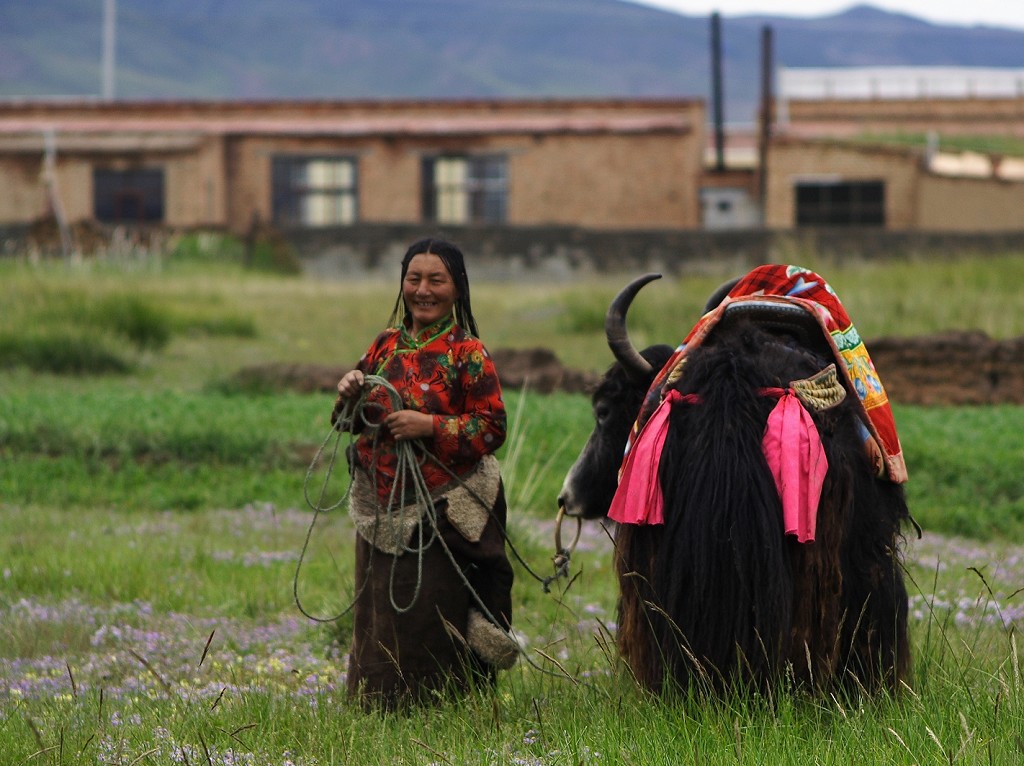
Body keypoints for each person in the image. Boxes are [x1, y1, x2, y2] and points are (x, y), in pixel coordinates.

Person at [332, 237, 517, 709]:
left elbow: (492, 427)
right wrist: (350, 391)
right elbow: (346, 422)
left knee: (434, 609)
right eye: (414, 279)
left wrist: (430, 426)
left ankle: (444, 707)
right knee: (378, 613)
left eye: (437, 279)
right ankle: (376, 706)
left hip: (442, 510)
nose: (423, 289)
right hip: (381, 504)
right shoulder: (384, 346)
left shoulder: (468, 353)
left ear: (456, 288)